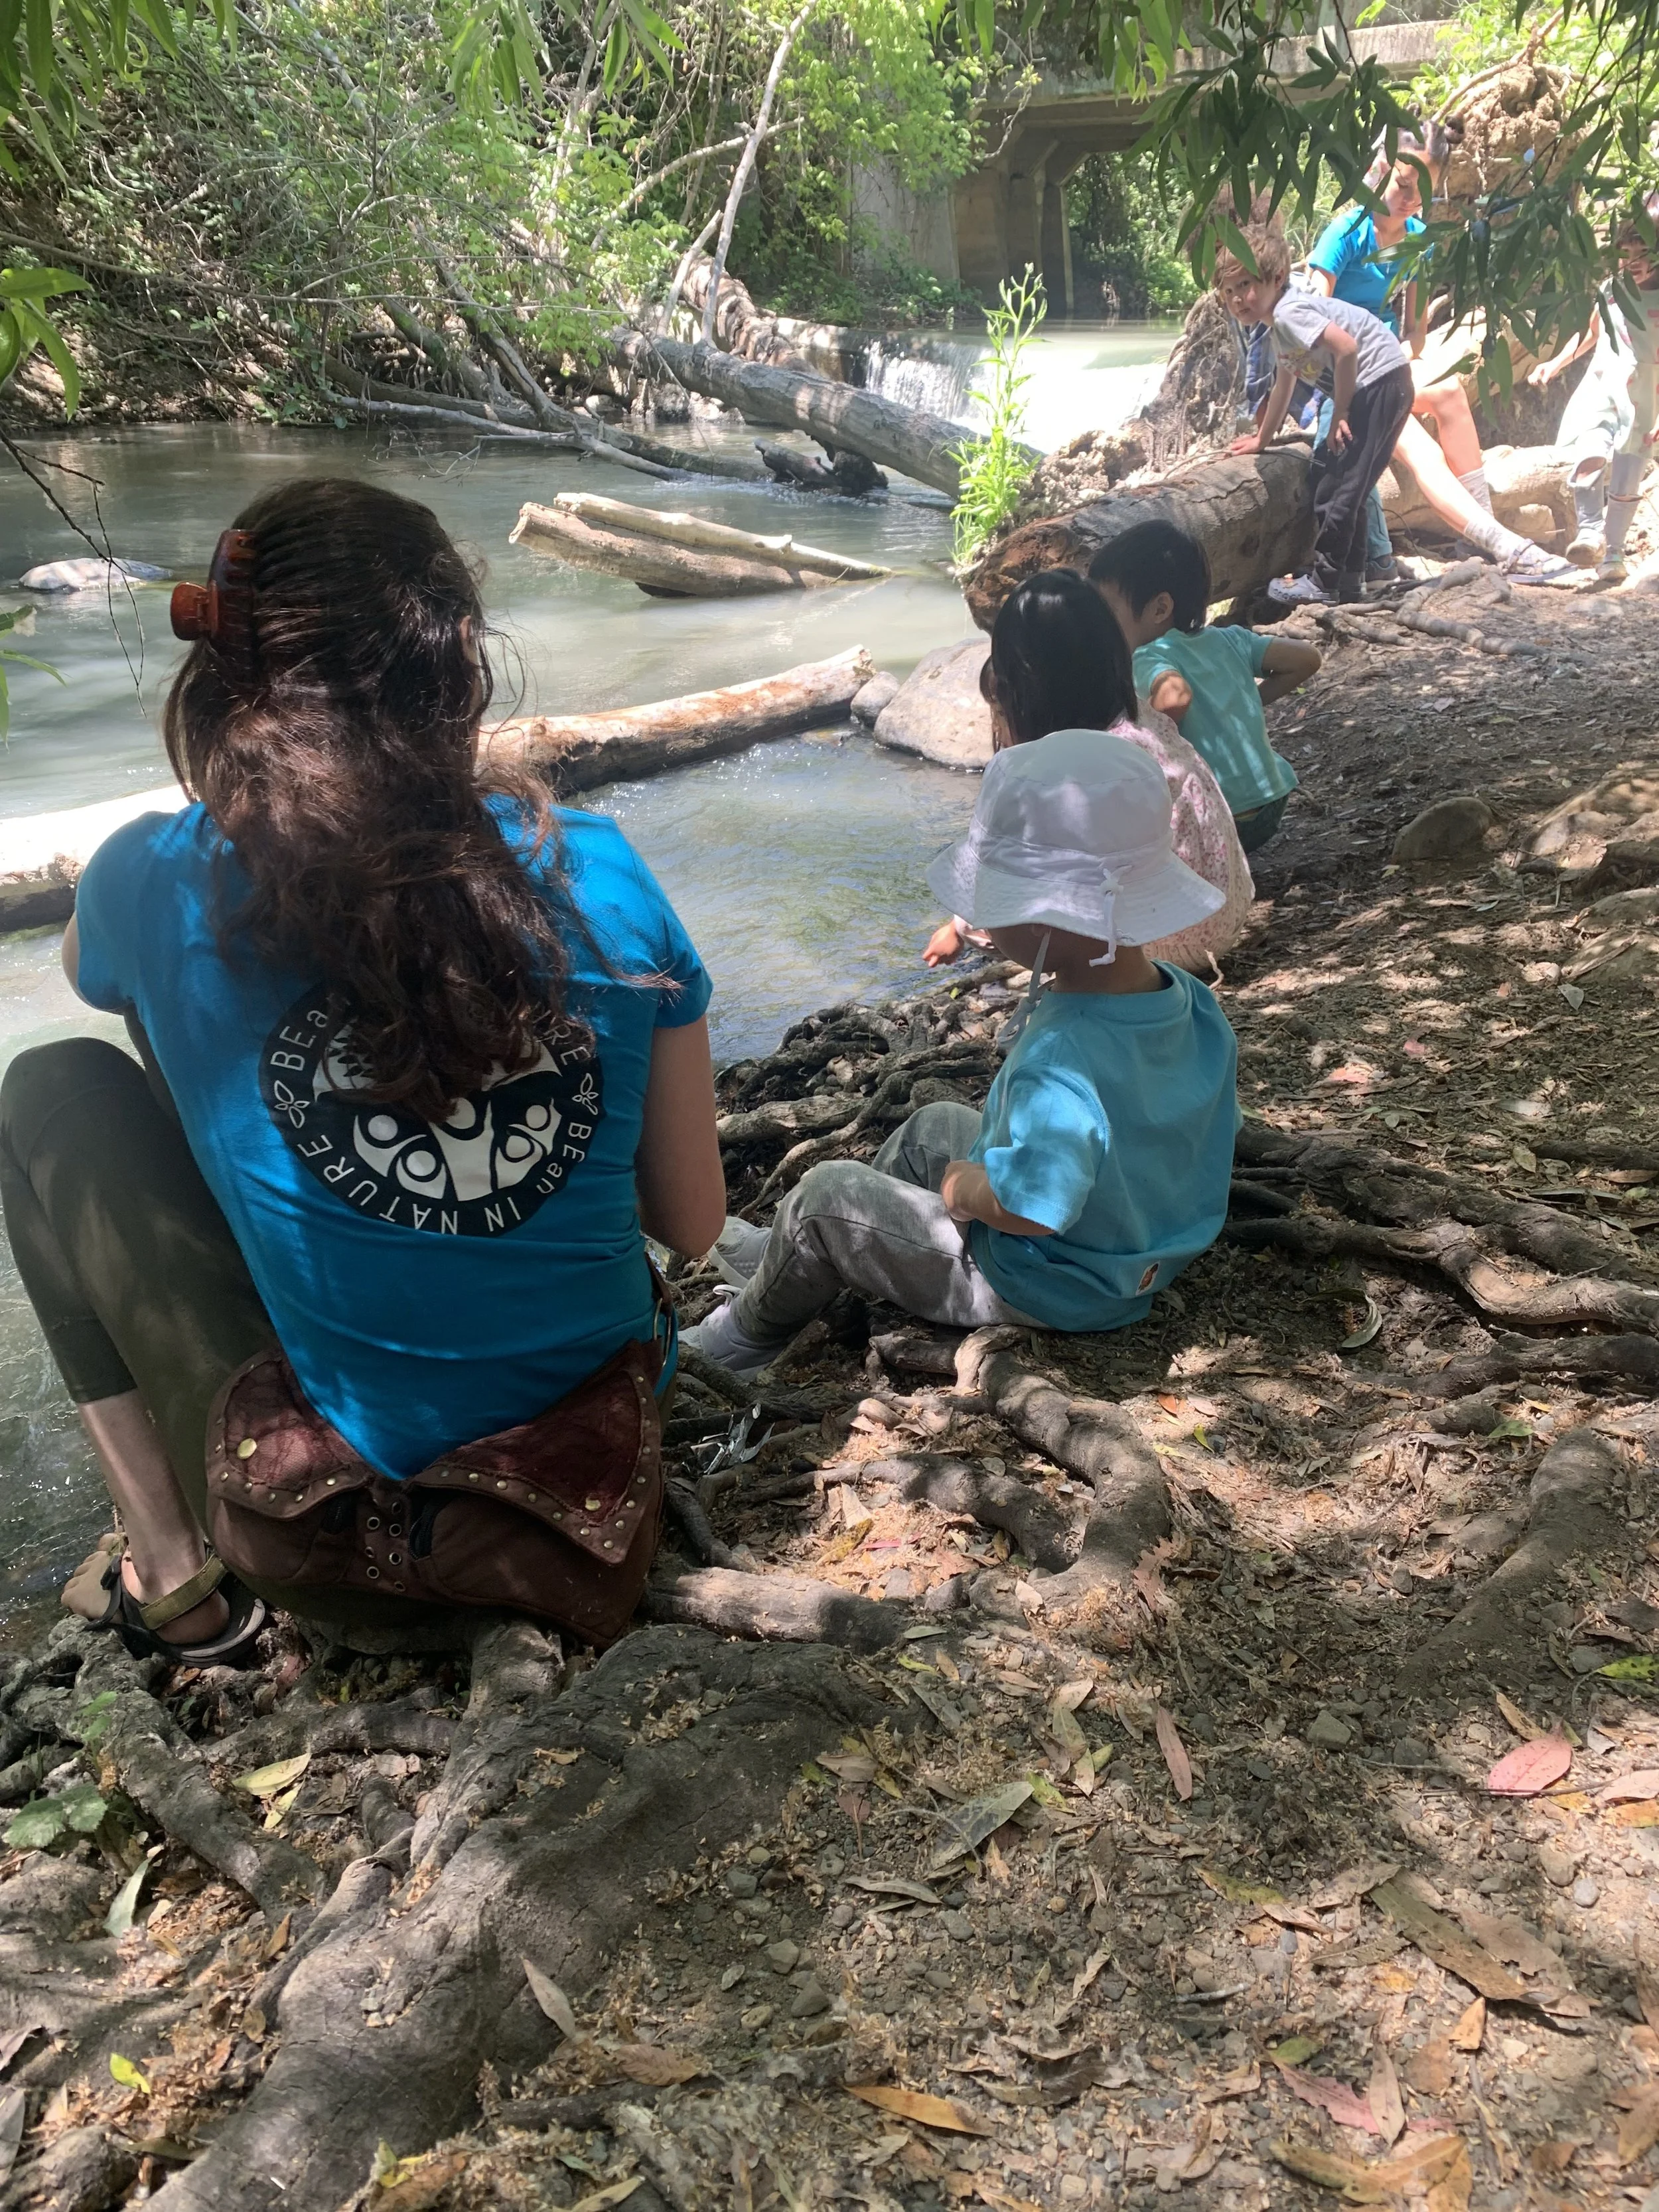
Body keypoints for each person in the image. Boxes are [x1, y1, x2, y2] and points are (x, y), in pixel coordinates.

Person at [0, 478, 725, 1662]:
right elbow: (694, 1221)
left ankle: (174, 1575)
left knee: (48, 1089)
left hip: (326, 1546)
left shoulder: (153, 877)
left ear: (228, 679)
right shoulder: (599, 869)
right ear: (461, 667)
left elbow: (88, 971)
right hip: (581, 1515)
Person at [684, 732, 1240, 1380]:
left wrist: (964, 1190)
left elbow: (1033, 1208)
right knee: (933, 1126)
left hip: (1054, 1280)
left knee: (825, 1198)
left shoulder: (1061, 1053)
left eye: (990, 904)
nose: (977, 920)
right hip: (1141, 1238)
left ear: (1045, 921)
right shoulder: (1189, 1000)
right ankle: (788, 1262)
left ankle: (746, 1336)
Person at [921, 568, 1253, 975]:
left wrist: (961, 926)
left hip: (1165, 940)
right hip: (1218, 909)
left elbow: (1041, 868)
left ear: (1025, 689)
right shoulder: (1137, 719)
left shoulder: (1082, 770)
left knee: (1022, 908)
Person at [1305, 131, 1571, 584]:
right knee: (1414, 438)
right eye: (1404, 185)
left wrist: (1398, 361)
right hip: (1341, 374)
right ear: (1381, 171)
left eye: (1423, 191)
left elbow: (1415, 334)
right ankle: (1505, 544)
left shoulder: (1419, 238)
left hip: (1386, 361)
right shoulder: (1345, 234)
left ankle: (1479, 536)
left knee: (1449, 390)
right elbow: (1309, 325)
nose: (1411, 201)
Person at [1086, 521, 1321, 854]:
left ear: (1160, 609)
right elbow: (1307, 659)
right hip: (1271, 802)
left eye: (1108, 609)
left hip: (1222, 815)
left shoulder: (1149, 654)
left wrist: (1145, 739)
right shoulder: (1230, 638)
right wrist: (1250, 700)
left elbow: (1176, 696)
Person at [1221, 225, 1417, 607]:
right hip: (1392, 381)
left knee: (1336, 485)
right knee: (1353, 488)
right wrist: (1262, 439)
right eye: (1229, 291)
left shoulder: (1290, 313)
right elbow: (1284, 384)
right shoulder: (1280, 327)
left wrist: (1341, 408)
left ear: (1276, 277)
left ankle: (1324, 581)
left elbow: (1346, 348)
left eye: (1245, 285)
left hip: (1374, 383)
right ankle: (1351, 581)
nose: (1237, 299)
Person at [1528, 198, 1659, 582]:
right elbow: (1591, 332)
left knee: (1627, 477)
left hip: (1643, 396)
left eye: (1644, 252)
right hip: (1602, 384)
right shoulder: (1611, 289)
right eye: (1626, 251)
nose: (1632, 260)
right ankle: (1589, 531)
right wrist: (1554, 363)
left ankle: (1613, 553)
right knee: (1589, 451)